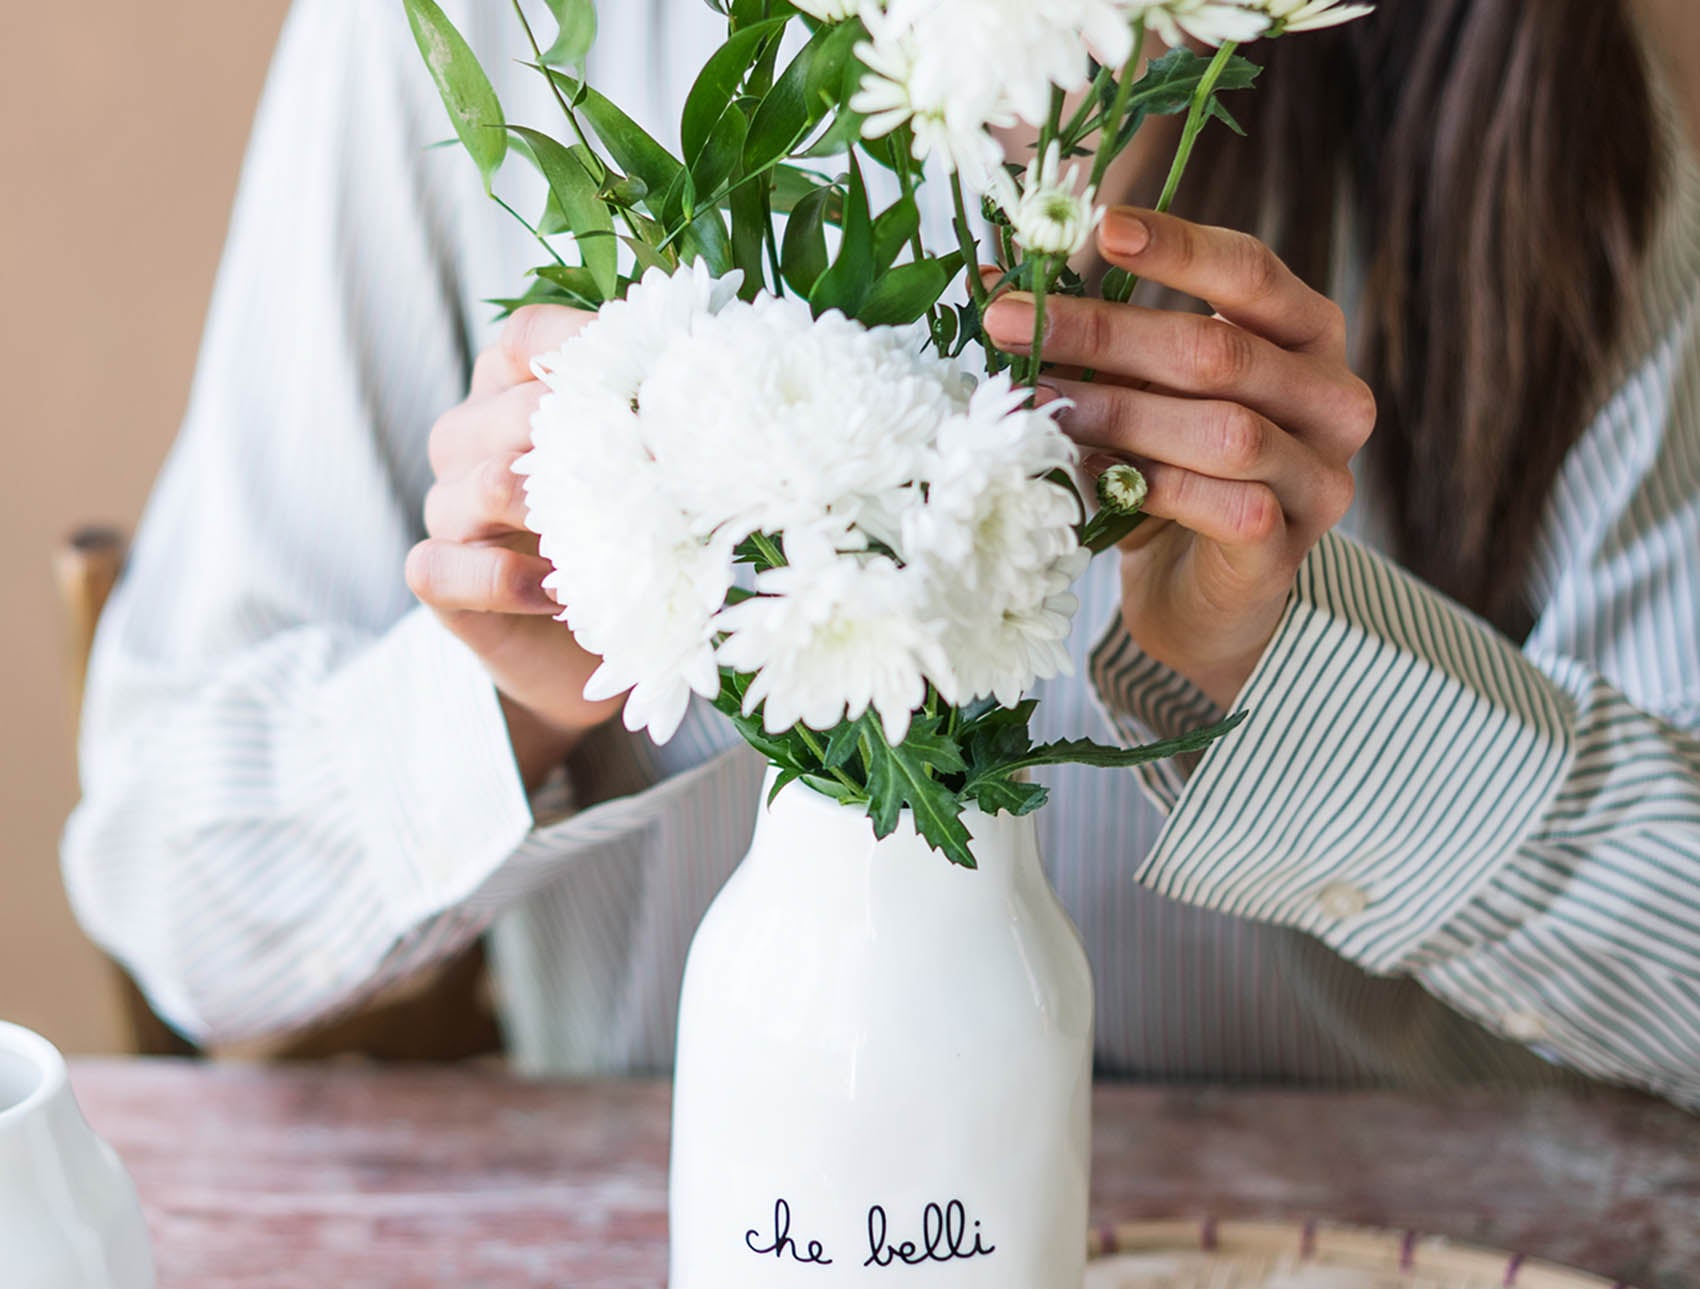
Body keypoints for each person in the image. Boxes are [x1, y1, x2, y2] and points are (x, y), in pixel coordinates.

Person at [62, 0, 1700, 1105]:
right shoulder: (476, 38)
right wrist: (513, 691)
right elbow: (179, 908)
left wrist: (1295, 679)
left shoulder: (1543, 93)